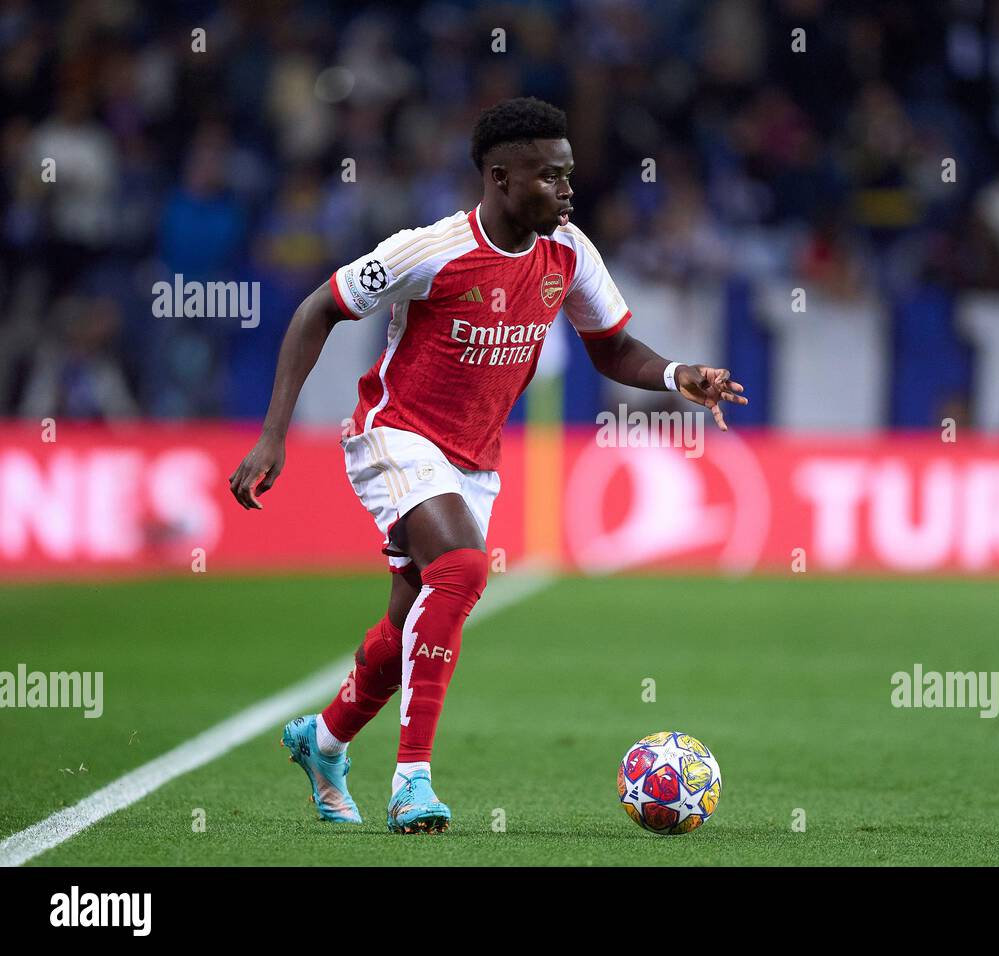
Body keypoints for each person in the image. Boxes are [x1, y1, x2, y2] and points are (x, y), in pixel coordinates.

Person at [227, 97, 746, 834]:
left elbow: (611, 345)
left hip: (475, 458)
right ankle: (412, 782)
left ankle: (325, 739)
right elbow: (319, 307)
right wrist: (273, 434)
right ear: (500, 177)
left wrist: (676, 375)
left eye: (569, 177)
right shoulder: (429, 250)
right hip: (395, 434)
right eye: (550, 178)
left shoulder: (568, 251)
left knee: (409, 627)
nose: (567, 192)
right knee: (466, 570)